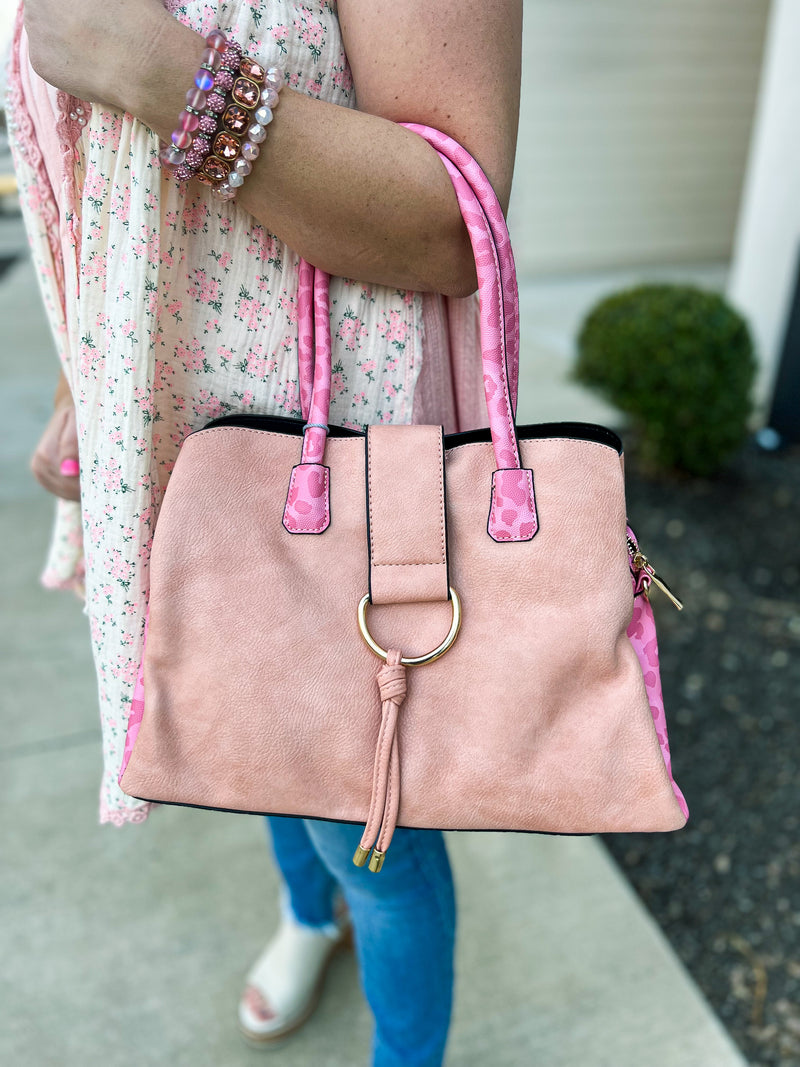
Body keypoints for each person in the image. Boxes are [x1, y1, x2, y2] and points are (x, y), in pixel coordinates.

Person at [10, 1, 522, 1063]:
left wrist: (172, 77)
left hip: (338, 467)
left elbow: (448, 223)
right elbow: (99, 190)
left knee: (366, 825)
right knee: (251, 743)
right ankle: (305, 915)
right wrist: (81, 384)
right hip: (170, 448)